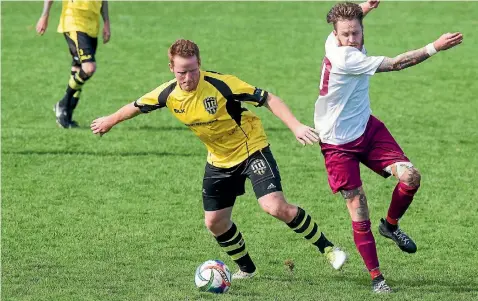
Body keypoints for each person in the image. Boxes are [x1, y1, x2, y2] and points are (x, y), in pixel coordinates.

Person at [91, 39, 347, 279]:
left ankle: (328, 249)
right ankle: (247, 269)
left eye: (192, 70)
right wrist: (109, 121)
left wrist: (295, 126)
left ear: (199, 64)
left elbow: (267, 98)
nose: (188, 77)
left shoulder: (221, 84)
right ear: (171, 68)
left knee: (275, 207)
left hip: (251, 149)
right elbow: (137, 106)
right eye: (182, 72)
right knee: (215, 222)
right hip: (219, 160)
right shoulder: (167, 94)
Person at [315, 0, 463, 293]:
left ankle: (391, 226)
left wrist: (364, 6)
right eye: (345, 35)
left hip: (367, 129)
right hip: (337, 143)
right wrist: (435, 46)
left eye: (356, 33)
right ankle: (376, 277)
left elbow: (352, 18)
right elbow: (397, 63)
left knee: (411, 177)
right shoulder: (346, 57)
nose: (351, 40)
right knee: (358, 205)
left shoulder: (335, 36)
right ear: (336, 35)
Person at [36, 0, 111, 128]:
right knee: (88, 68)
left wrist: (107, 23)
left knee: (78, 69)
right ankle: (63, 104)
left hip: (92, 26)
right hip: (74, 23)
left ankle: (66, 116)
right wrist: (45, 15)